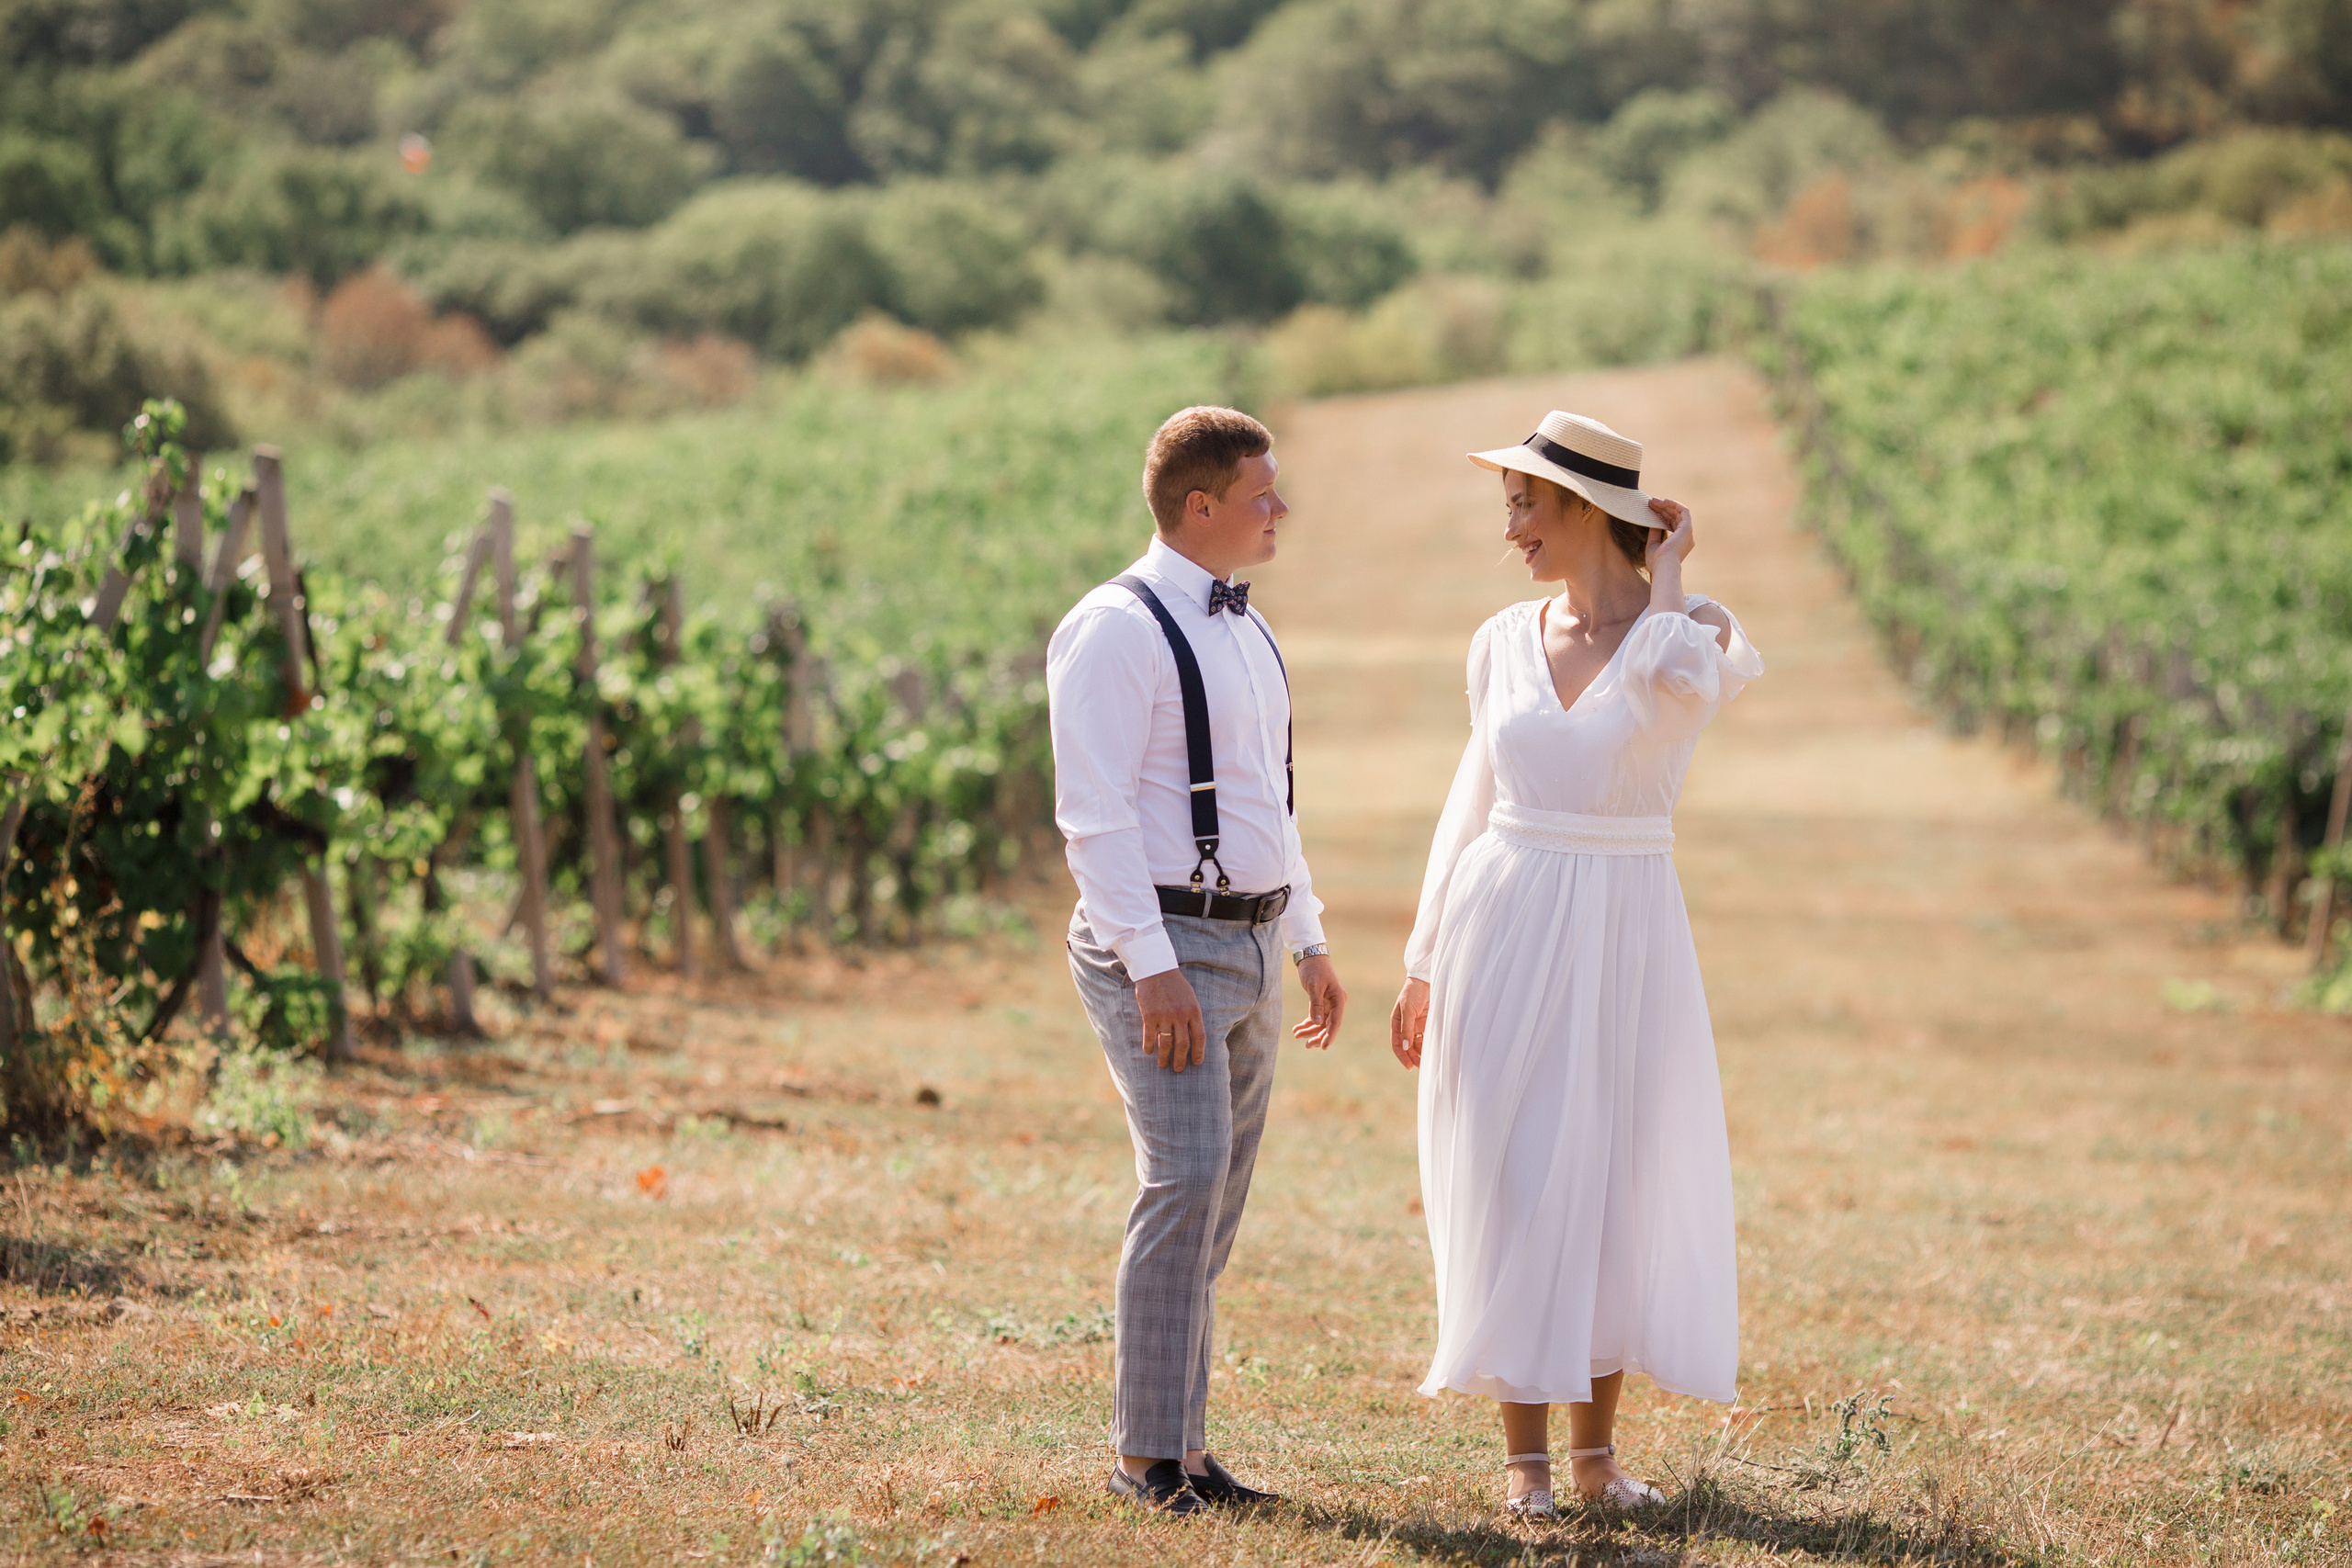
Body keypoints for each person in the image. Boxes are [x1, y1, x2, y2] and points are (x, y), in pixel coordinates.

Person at [1388, 410, 1762, 1517]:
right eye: (1508, 504)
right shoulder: (1498, 640)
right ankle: (1526, 1464)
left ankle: (1596, 1460)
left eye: (1526, 504)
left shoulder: (1679, 638)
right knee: (1511, 1173)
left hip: (1623, 930)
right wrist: (1421, 957)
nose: (1510, 527)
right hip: (1500, 923)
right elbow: (1470, 803)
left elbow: (1701, 682)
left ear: (1590, 512)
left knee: (1604, 1174)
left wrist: (1672, 569)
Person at [1048, 405, 1350, 1517]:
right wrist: (1150, 967)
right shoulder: (1113, 627)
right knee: (1181, 1182)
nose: (1281, 512)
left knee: (1215, 1198)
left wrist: (1308, 938)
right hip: (1161, 945)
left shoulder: (1249, 630)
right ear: (1200, 506)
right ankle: (1141, 1459)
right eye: (1263, 495)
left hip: (1256, 938)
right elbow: (1092, 819)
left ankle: (1184, 1444)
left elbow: (1273, 801)